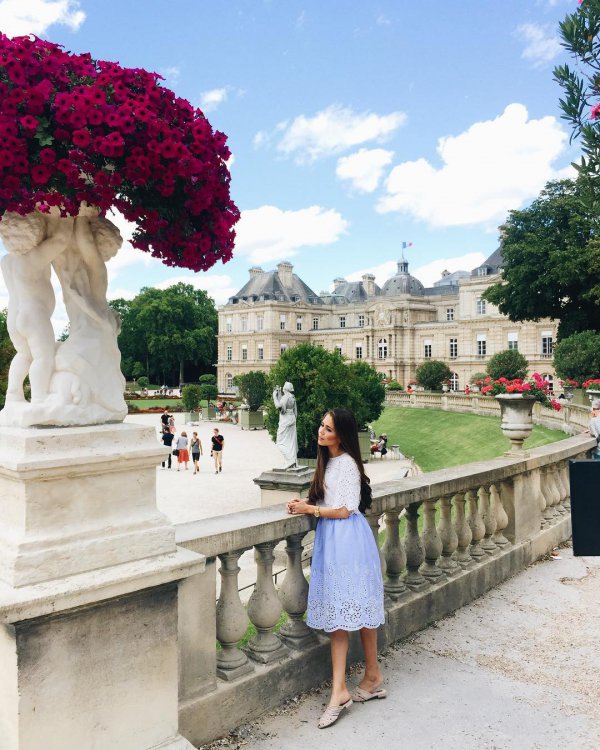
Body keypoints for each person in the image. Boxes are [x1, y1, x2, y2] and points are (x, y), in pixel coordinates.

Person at [287, 408, 385, 729]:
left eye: (328, 429)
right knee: (354, 609)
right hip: (339, 540)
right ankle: (371, 676)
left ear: (340, 435)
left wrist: (309, 508)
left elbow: (343, 509)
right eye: (321, 426)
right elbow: (332, 499)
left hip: (346, 541)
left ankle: (340, 691)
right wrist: (305, 503)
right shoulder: (330, 463)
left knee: (343, 614)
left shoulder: (346, 465)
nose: (321, 431)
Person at [0, 210, 73, 406]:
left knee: (24, 355)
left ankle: (13, 395)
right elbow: (61, 240)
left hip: (14, 317)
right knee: (43, 357)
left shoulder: (7, 260)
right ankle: (41, 398)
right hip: (33, 315)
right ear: (33, 230)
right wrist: (65, 211)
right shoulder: (33, 257)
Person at [272, 381, 298, 468]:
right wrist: (279, 395)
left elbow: (280, 408)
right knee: (291, 442)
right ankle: (292, 461)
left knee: (280, 442)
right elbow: (295, 411)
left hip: (286, 420)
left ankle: (290, 460)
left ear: (285, 389)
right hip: (292, 419)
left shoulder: (286, 397)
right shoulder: (292, 397)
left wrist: (274, 397)